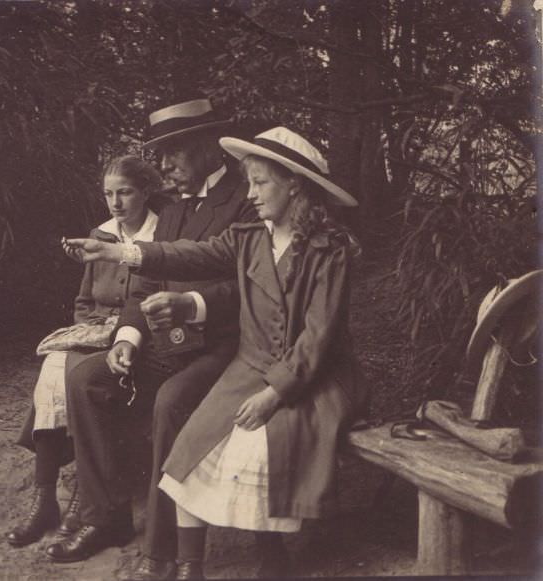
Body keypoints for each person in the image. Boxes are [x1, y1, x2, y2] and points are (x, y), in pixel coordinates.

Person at [63, 127, 369, 580]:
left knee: (260, 440)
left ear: (294, 185)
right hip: (251, 364)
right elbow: (192, 254)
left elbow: (319, 337)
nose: (253, 193)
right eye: (250, 182)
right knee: (191, 448)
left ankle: (271, 555)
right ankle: (190, 565)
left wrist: (273, 393)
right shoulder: (248, 236)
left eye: (262, 183)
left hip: (311, 374)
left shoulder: (330, 249)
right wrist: (118, 252)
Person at [44, 97, 256, 570]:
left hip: (223, 346)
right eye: (159, 155)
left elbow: (245, 285)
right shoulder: (177, 209)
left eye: (173, 152)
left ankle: (160, 550)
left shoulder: (246, 199)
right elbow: (148, 288)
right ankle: (106, 516)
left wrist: (189, 305)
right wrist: (126, 340)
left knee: (169, 402)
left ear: (206, 147)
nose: (164, 166)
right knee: (85, 380)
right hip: (166, 343)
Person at [9, 155, 163, 548]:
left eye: (125, 192)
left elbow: (152, 302)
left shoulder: (161, 236)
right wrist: (88, 330)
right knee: (54, 368)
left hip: (137, 340)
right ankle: (45, 499)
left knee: (76, 380)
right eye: (109, 194)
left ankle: (82, 498)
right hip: (95, 335)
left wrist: (117, 334)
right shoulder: (102, 234)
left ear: (145, 191)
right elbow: (83, 301)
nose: (116, 202)